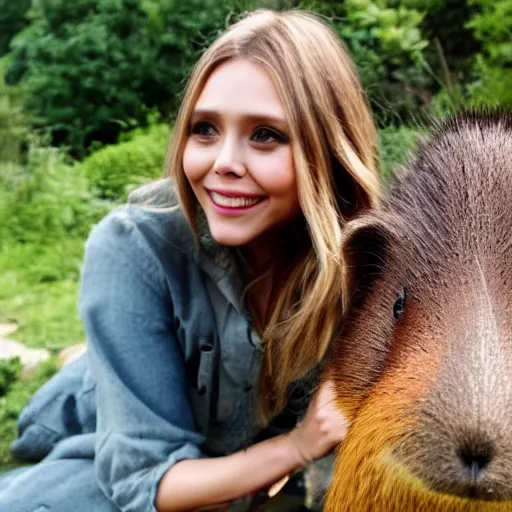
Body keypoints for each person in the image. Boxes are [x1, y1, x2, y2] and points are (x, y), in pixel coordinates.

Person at [0, 9, 380, 512]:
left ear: (328, 152)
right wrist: (297, 446)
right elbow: (144, 482)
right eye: (204, 129)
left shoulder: (368, 268)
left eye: (265, 134)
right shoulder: (136, 249)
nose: (223, 161)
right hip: (90, 487)